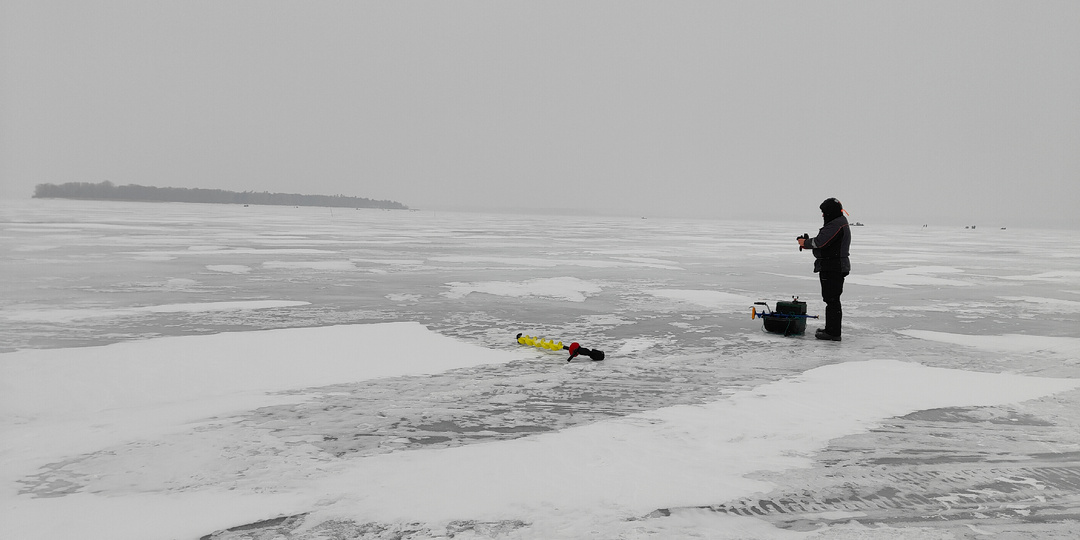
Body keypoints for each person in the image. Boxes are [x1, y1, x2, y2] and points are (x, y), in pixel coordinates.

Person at [797, 198, 851, 341]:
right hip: (833, 266)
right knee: (831, 298)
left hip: (834, 267)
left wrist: (805, 243)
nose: (822, 215)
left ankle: (833, 333)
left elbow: (821, 241)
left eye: (824, 212)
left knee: (832, 299)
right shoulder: (838, 222)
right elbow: (824, 243)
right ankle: (831, 329)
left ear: (830, 212)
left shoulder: (836, 224)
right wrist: (808, 243)